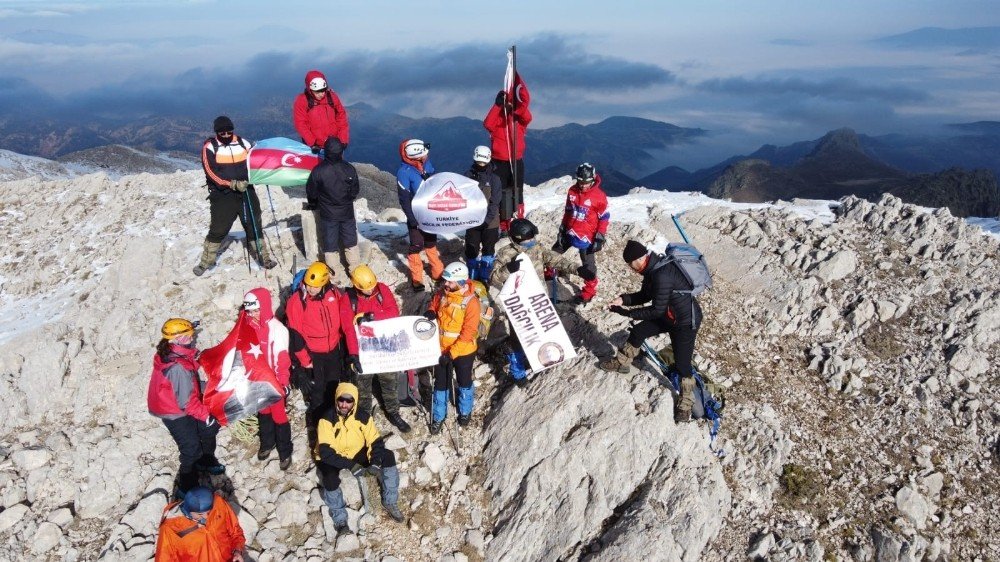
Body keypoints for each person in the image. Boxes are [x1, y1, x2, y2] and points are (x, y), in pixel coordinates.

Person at [601, 240, 702, 422]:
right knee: (638, 332)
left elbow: (656, 310)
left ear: (639, 259)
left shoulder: (661, 275)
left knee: (682, 364)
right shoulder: (652, 270)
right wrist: (623, 300)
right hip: (669, 315)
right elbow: (646, 295)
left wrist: (628, 313)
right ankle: (622, 362)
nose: (630, 268)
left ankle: (685, 403)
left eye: (630, 264)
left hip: (685, 322)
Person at [490, 218, 580, 387]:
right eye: (528, 239)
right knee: (519, 337)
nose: (532, 241)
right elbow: (493, 278)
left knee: (543, 331)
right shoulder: (505, 254)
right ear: (516, 239)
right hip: (518, 305)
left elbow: (556, 259)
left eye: (533, 237)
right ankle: (518, 371)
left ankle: (540, 359)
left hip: (539, 301)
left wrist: (577, 269)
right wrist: (508, 269)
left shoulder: (537, 249)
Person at [285, 262, 360, 442]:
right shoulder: (297, 302)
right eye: (309, 285)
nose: (311, 289)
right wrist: (303, 361)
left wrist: (347, 350)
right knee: (317, 391)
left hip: (333, 349)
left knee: (334, 385)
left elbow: (343, 320)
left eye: (315, 286)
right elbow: (295, 334)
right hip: (313, 354)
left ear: (325, 282)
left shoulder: (334, 293)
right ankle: (319, 426)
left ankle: (334, 419)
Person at [148, 318, 224, 496]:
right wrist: (207, 416)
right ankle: (186, 484)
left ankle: (206, 461)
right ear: (177, 340)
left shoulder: (173, 353)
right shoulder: (177, 367)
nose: (192, 337)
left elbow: (187, 381)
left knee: (207, 431)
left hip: (175, 400)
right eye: (189, 335)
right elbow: (187, 402)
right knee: (191, 448)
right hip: (173, 410)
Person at [315, 382, 405, 533]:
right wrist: (352, 466)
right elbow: (326, 452)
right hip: (333, 457)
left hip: (356, 451)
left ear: (354, 401)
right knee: (330, 479)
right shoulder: (326, 419)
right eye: (341, 400)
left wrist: (375, 463)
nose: (344, 404)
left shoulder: (363, 416)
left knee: (387, 456)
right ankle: (340, 519)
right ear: (336, 399)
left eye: (349, 401)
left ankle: (390, 501)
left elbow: (375, 441)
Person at [194, 115, 276, 276]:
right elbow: (211, 173)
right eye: (222, 133)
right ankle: (205, 262)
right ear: (217, 132)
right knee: (219, 228)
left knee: (254, 224)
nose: (225, 135)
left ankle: (264, 258)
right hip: (223, 194)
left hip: (246, 190)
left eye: (228, 132)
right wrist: (230, 184)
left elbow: (254, 161)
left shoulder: (243, 143)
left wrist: (260, 175)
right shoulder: (210, 147)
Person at [344, 265, 412, 433]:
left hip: (384, 349)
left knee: (390, 382)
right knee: (363, 387)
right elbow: (347, 328)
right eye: (366, 289)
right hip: (363, 352)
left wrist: (371, 317)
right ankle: (364, 416)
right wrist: (353, 354)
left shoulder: (381, 290)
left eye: (371, 286)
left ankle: (393, 412)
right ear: (357, 286)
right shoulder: (348, 299)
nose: (370, 290)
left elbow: (393, 313)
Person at [424, 262, 481, 434]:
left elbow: (468, 332)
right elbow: (433, 304)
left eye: (449, 282)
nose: (445, 284)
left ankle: (465, 411)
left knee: (464, 382)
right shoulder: (442, 294)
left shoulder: (471, 302)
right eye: (445, 281)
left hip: (463, 352)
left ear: (461, 282)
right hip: (440, 349)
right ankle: (439, 416)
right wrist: (431, 311)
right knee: (440, 384)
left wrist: (451, 354)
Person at [241, 288, 293, 471]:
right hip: (257, 380)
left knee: (279, 414)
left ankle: (285, 451)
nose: (253, 315)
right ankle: (267, 443)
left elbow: (282, 358)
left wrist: (283, 383)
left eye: (256, 310)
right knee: (263, 412)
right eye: (250, 311)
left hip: (273, 381)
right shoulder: (247, 326)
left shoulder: (277, 329)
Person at [552, 163, 609, 305]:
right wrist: (562, 229)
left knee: (588, 267)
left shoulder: (599, 196)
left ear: (593, 179)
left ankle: (588, 292)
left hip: (587, 237)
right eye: (581, 181)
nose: (583, 185)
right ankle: (549, 276)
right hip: (570, 232)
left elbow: (604, 218)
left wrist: (600, 237)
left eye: (587, 182)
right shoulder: (572, 191)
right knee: (552, 254)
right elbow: (568, 211)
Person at [305, 137, 361, 282]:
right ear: (341, 151)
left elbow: (311, 191)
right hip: (347, 212)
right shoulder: (349, 168)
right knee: (350, 240)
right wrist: (347, 200)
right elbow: (355, 190)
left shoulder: (318, 171)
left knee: (330, 243)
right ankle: (355, 271)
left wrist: (314, 203)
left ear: (326, 152)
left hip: (327, 214)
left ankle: (335, 275)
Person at [396, 138, 444, 292]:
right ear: (415, 156)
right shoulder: (404, 172)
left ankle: (437, 274)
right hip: (416, 215)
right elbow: (404, 199)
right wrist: (412, 219)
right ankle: (417, 279)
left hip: (429, 213)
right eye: (423, 154)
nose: (426, 156)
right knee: (416, 245)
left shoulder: (426, 165)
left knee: (430, 243)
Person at [484, 88, 532, 232]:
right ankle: (504, 226)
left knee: (518, 192)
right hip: (499, 162)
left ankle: (518, 223)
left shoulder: (519, 120)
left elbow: (527, 117)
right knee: (502, 193)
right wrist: (497, 106)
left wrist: (520, 104)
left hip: (516, 160)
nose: (509, 105)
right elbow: (487, 123)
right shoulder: (497, 119)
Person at [155, 486, 246, 561]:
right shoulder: (170, 528)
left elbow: (235, 531)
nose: (206, 517)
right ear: (188, 509)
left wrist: (237, 551)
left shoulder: (218, 504)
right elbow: (164, 558)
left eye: (208, 512)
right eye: (200, 514)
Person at [464, 146, 503, 281]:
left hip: (490, 223)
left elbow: (495, 202)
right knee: (471, 251)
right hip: (472, 222)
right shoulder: (467, 176)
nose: (481, 165)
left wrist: (486, 220)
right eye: (478, 162)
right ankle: (473, 277)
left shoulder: (495, 179)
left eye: (483, 162)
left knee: (488, 249)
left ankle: (484, 277)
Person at [293, 70, 350, 154]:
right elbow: (300, 124)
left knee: (335, 167)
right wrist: (312, 143)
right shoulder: (302, 101)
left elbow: (341, 117)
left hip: (334, 145)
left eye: (323, 90)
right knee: (316, 167)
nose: (321, 94)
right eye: (317, 91)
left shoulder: (332, 97)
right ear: (310, 90)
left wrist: (343, 139)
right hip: (315, 147)